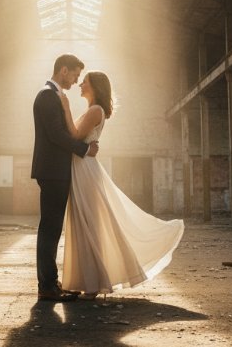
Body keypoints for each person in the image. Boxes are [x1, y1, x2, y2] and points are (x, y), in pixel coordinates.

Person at [59, 71, 184, 299]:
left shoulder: (95, 111)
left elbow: (75, 135)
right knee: (83, 223)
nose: (80, 85)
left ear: (94, 86)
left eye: (84, 82)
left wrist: (65, 109)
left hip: (85, 170)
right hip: (82, 168)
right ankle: (86, 280)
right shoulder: (93, 110)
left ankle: (93, 283)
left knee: (89, 224)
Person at [31, 53, 99, 302]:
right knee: (50, 228)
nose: (76, 79)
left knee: (52, 228)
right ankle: (47, 287)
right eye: (75, 74)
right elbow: (57, 135)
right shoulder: (48, 96)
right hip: (52, 171)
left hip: (54, 170)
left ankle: (49, 283)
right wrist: (84, 150)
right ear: (63, 71)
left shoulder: (54, 95)